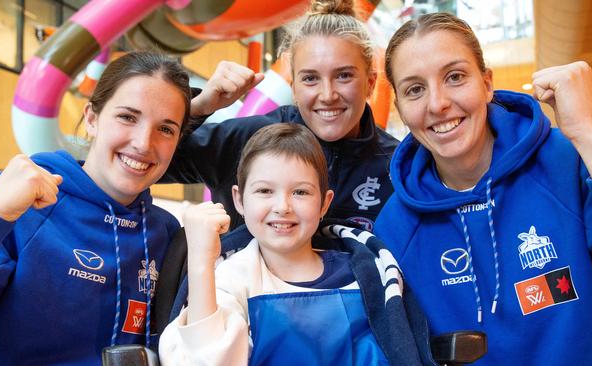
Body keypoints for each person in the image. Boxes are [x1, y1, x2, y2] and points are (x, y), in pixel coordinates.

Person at [374, 12, 592, 365]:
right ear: (400, 108)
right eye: (415, 89)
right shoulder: (395, 229)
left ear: (487, 84)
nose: (437, 104)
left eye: (454, 77)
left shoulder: (562, 161)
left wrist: (590, 136)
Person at [0, 51, 192, 364]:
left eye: (165, 129)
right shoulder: (10, 200)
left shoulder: (164, 231)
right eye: (127, 117)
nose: (143, 143)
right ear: (92, 118)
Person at [158, 123, 436, 365]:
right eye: (265, 191)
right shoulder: (231, 279)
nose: (283, 206)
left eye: (300, 192)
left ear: (324, 203)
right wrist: (200, 263)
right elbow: (204, 360)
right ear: (239, 200)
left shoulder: (365, 273)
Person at [163, 0, 397, 232]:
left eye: (344, 76)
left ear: (370, 83)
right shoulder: (249, 139)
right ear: (294, 87)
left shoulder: (397, 165)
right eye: (310, 78)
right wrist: (198, 108)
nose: (327, 95)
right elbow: (147, 162)